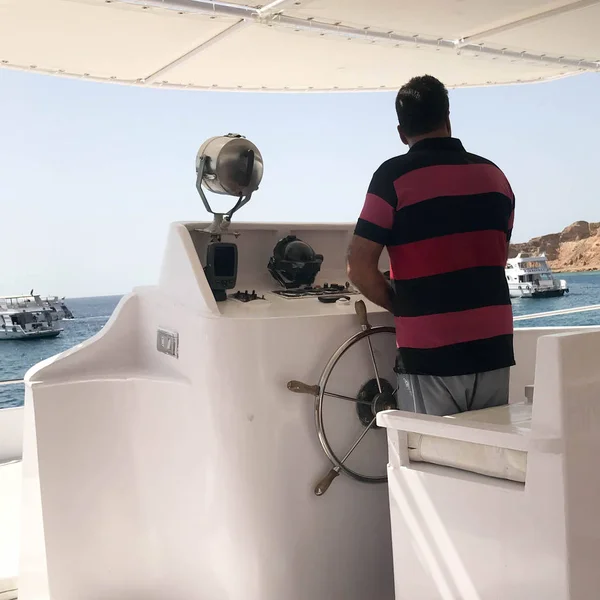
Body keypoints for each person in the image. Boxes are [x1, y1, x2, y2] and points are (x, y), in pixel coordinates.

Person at [346, 74, 515, 416]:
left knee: (433, 461)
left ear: (401, 132)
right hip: (494, 345)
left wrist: (401, 304)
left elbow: (359, 267)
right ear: (448, 119)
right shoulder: (495, 177)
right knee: (490, 457)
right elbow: (496, 253)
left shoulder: (392, 178)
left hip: (431, 350)